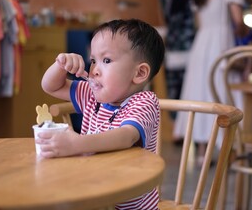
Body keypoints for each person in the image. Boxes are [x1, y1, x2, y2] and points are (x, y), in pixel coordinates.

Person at [37, 19, 165, 210]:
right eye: (93, 60)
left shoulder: (144, 102)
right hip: (96, 193)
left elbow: (125, 136)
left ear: (139, 73)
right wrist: (61, 64)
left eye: (106, 60)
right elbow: (50, 86)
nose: (94, 69)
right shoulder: (91, 95)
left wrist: (75, 143)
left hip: (130, 205)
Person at [173, 0, 248, 165]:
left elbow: (199, 22)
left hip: (201, 44)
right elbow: (238, 20)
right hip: (221, 43)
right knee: (224, 92)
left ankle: (201, 153)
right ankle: (230, 152)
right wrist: (245, 30)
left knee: (200, 92)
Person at [159, 0, 196, 102]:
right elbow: (197, 20)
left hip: (172, 46)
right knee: (190, 89)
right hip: (189, 45)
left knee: (174, 91)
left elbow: (164, 21)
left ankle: (176, 121)